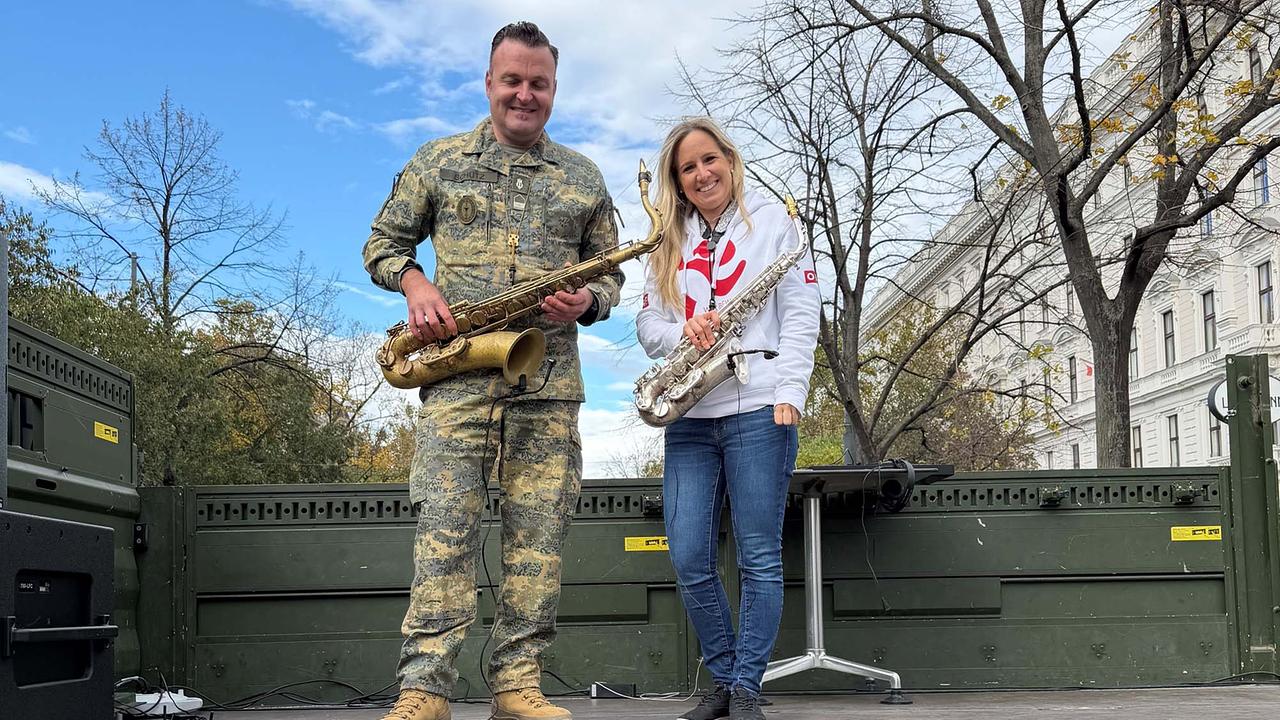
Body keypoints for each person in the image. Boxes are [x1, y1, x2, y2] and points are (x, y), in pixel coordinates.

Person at [362, 21, 622, 720]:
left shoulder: (584, 177)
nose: (525, 94)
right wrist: (416, 283)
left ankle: (517, 685)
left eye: (539, 83)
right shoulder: (438, 160)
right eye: (512, 80)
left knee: (538, 544)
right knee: (443, 536)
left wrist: (588, 302)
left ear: (554, 89)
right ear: (488, 82)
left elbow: (612, 276)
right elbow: (381, 243)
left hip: (549, 386)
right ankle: (424, 690)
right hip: (457, 377)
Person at [635, 118, 820, 720]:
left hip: (760, 404)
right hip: (690, 409)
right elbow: (647, 325)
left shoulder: (775, 223)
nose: (701, 174)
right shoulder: (668, 239)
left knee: (758, 555)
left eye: (709, 159)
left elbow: (801, 313)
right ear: (678, 181)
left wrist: (791, 388)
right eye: (687, 168)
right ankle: (724, 678)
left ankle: (745, 688)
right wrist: (680, 331)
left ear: (730, 159)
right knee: (689, 555)